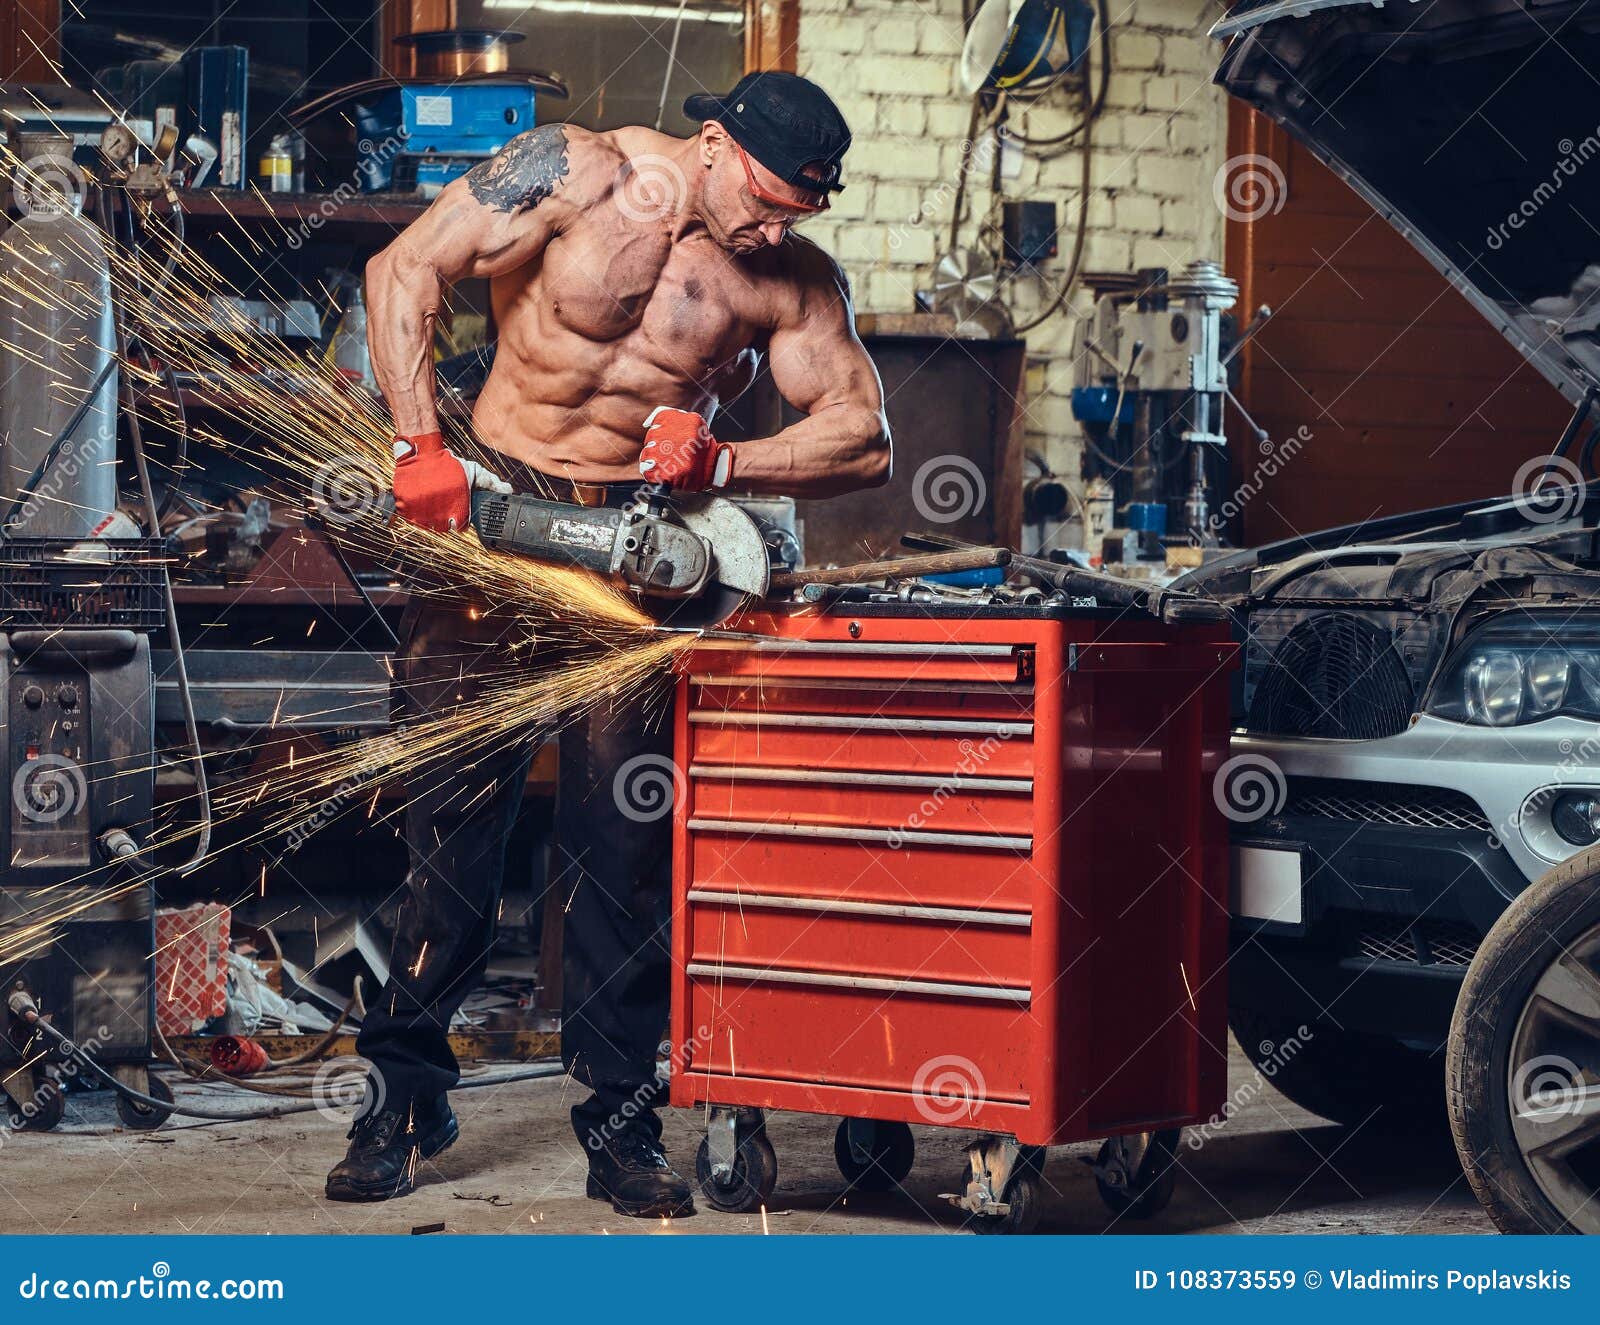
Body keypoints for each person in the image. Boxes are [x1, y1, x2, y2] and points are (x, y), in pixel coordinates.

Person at [324, 71, 891, 1217]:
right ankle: (402, 1090)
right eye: (771, 201)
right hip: (491, 517)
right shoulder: (576, 170)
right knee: (450, 834)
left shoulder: (787, 279)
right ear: (717, 144)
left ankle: (621, 1120)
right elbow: (405, 269)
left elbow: (864, 436)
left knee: (619, 846)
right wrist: (417, 443)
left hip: (639, 554)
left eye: (800, 216)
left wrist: (728, 462)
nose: (776, 229)